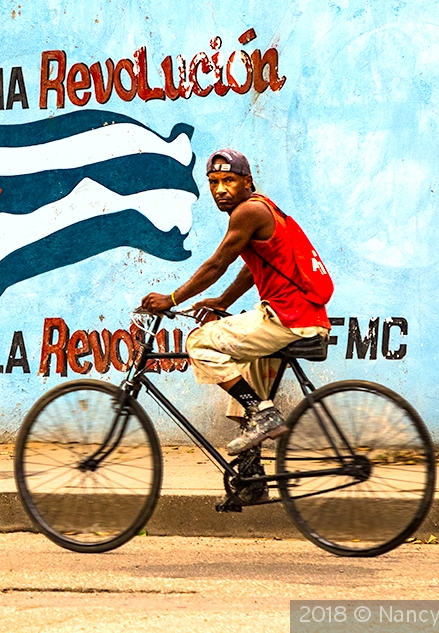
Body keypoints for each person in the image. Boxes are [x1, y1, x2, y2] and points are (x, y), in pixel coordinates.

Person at [141, 148, 331, 458]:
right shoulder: (263, 210)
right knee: (245, 374)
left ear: (247, 182)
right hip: (297, 317)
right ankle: (250, 473)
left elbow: (217, 264)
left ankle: (264, 415)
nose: (220, 190)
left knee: (199, 342)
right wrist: (223, 300)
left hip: (288, 318)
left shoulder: (248, 212)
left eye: (228, 180)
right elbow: (253, 268)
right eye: (213, 182)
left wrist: (171, 299)